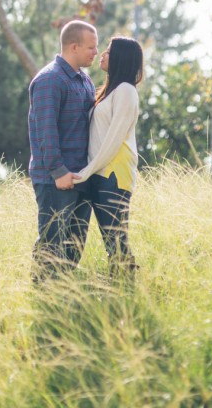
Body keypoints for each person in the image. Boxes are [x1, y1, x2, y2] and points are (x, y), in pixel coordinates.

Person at [27, 19, 98, 280]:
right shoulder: (49, 80)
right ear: (74, 46)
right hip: (55, 179)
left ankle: (64, 295)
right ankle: (44, 294)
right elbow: (46, 131)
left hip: (81, 176)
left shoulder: (85, 80)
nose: (95, 53)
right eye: (91, 47)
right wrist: (59, 172)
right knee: (51, 241)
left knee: (75, 244)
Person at [74, 35, 143, 276]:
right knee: (111, 239)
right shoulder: (109, 91)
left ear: (121, 58)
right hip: (99, 172)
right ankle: (121, 290)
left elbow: (114, 140)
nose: (102, 54)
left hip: (113, 175)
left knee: (116, 239)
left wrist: (87, 170)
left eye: (109, 51)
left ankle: (126, 293)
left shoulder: (126, 91)